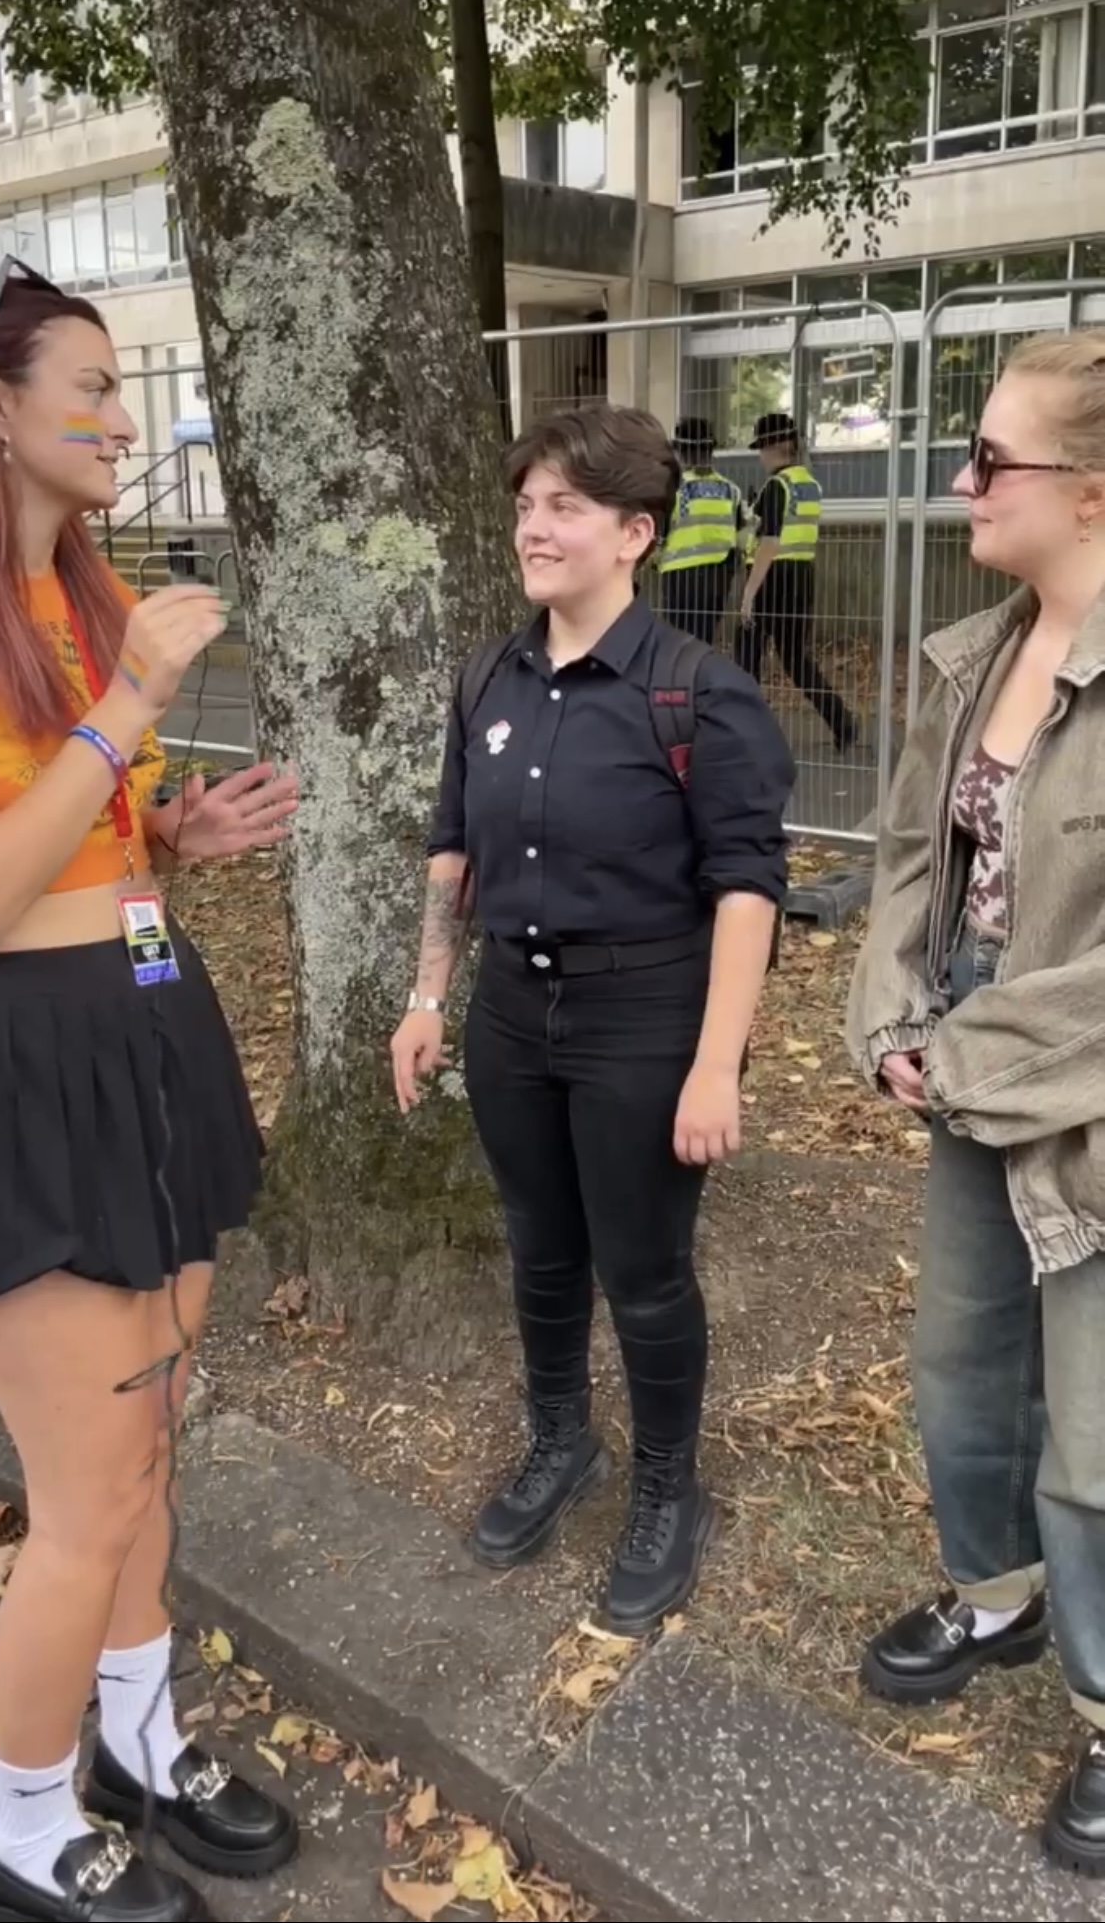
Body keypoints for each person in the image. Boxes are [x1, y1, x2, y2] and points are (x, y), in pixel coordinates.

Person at [0, 259, 300, 1923]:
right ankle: (18, 1826)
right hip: (18, 1053)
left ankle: (141, 1738)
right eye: (86, 384)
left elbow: (89, 828)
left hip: (152, 1018)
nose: (118, 417)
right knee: (83, 1492)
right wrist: (135, 699)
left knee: (149, 1446)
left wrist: (176, 828)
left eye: (121, 385)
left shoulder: (82, 600)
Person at [390, 405, 793, 1634]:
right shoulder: (486, 675)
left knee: (644, 1266)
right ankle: (560, 1440)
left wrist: (713, 1066)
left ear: (634, 532)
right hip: (513, 1009)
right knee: (538, 1243)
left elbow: (744, 888)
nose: (533, 526)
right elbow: (451, 850)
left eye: (562, 505)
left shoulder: (698, 697)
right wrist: (426, 997)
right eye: (524, 506)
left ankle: (670, 1486)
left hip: (643, 1014)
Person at [846, 332, 1105, 1878]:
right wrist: (889, 1016)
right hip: (961, 1070)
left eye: (990, 460)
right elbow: (900, 869)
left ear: (1089, 488)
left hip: (1071, 1087)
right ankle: (994, 1593)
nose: (962, 481)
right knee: (958, 1368)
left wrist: (962, 1048)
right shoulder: (972, 653)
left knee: (1092, 1430)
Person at [736, 411, 858, 752]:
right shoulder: (809, 483)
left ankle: (745, 735)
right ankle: (843, 724)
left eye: (761, 446)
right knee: (796, 661)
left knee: (746, 659)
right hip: (801, 578)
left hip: (770, 579)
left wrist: (749, 593)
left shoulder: (777, 486)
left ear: (776, 446)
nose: (760, 454)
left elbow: (770, 542)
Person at [655, 417, 748, 644]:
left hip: (680, 576)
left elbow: (659, 532)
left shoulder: (674, 487)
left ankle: (683, 680)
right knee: (703, 641)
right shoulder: (730, 489)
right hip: (719, 577)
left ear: (681, 451)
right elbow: (742, 535)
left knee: (678, 643)